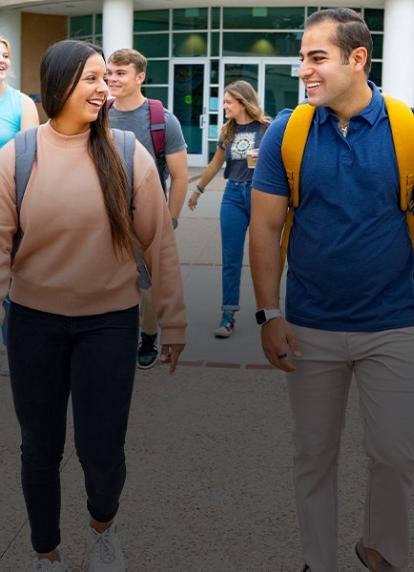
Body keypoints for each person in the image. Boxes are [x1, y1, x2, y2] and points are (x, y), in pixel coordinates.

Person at [0, 39, 186, 572]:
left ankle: (102, 527)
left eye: (107, 78)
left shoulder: (129, 155)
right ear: (59, 84)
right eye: (91, 78)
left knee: (102, 452)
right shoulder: (19, 155)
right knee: (39, 447)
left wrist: (172, 320)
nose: (104, 88)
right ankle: (46, 552)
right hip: (34, 323)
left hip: (109, 324)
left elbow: (160, 245)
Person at [250, 8, 414, 572]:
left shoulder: (408, 131)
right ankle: (317, 562)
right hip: (311, 324)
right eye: (303, 59)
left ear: (358, 58)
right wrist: (268, 314)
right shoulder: (287, 132)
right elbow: (265, 228)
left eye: (316, 58)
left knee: (395, 456)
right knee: (314, 454)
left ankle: (381, 550)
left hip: (395, 323)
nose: (304, 71)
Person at [107, 48, 188, 370]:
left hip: (146, 217)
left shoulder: (162, 121)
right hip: (103, 216)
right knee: (109, 279)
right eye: (109, 72)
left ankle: (148, 336)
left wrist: (169, 219)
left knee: (149, 285)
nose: (112, 79)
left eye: (120, 73)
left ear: (139, 77)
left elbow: (180, 176)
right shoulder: (98, 113)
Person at [188, 80, 269, 338]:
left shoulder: (266, 128)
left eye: (228, 102)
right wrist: (197, 190)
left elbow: (281, 161)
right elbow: (214, 165)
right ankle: (227, 316)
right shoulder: (228, 132)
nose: (223, 106)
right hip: (233, 194)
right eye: (223, 102)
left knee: (264, 259)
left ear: (242, 103)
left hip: (259, 195)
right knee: (231, 259)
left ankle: (270, 313)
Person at [0, 35, 39, 376]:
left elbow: (27, 156)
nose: (1, 61)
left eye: (5, 56)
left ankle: (13, 348)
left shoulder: (22, 103)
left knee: (12, 277)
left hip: (10, 200)